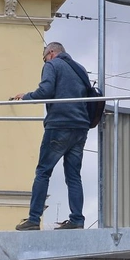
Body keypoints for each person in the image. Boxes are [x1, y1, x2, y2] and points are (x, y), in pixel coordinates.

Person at [11, 41, 91, 231]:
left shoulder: (52, 65)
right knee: (73, 176)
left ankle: (33, 219)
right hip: (80, 127)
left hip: (59, 125)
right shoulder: (80, 69)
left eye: (44, 57)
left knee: (43, 172)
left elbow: (45, 91)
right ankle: (77, 219)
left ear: (52, 53)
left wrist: (26, 96)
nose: (44, 61)